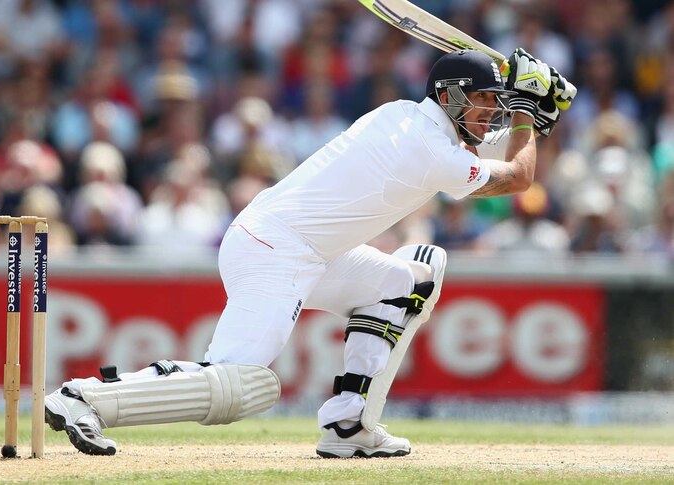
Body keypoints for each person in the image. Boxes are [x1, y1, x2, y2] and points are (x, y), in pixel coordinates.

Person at [43, 48, 576, 458]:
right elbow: (518, 179)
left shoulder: (406, 117)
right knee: (243, 383)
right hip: (275, 249)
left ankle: (350, 426)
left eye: (495, 108)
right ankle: (86, 398)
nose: (491, 118)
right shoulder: (428, 148)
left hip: (307, 250)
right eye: (484, 104)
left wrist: (528, 111)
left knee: (410, 280)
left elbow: (478, 150)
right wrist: (531, 111)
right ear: (450, 96)